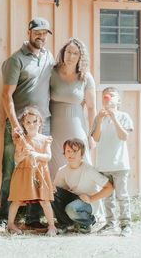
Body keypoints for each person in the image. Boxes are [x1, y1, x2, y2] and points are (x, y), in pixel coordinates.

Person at [0, 17, 54, 230]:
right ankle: (3, 219)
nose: (41, 36)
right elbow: (5, 96)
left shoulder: (48, 57)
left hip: (41, 124)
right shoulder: (16, 60)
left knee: (38, 169)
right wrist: (15, 125)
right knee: (12, 169)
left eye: (45, 33)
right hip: (19, 124)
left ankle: (33, 219)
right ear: (29, 32)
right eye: (38, 32)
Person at [49, 38, 96, 177]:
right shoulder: (52, 73)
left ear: (80, 57)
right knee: (55, 164)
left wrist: (92, 136)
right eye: (68, 52)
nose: (71, 56)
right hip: (54, 127)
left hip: (77, 125)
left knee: (81, 160)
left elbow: (92, 107)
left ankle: (86, 197)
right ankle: (58, 197)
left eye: (75, 53)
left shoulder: (86, 77)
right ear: (63, 52)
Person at [91, 87, 134, 237]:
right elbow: (95, 139)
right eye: (104, 96)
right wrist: (101, 119)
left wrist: (114, 117)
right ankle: (110, 224)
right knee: (107, 198)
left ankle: (126, 225)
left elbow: (124, 137)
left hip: (120, 165)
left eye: (111, 95)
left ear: (118, 100)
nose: (107, 98)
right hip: (103, 164)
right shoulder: (98, 118)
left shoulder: (124, 116)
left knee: (122, 196)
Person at [7, 107, 56, 236]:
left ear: (40, 122)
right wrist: (24, 153)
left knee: (44, 200)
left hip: (40, 173)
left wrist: (36, 154)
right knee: (17, 200)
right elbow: (16, 159)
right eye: (28, 122)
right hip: (24, 173)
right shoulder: (20, 140)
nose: (31, 125)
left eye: (34, 121)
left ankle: (52, 226)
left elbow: (48, 157)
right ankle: (10, 224)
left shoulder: (45, 139)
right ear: (23, 124)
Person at [52, 138, 113, 233]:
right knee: (53, 192)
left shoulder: (89, 170)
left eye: (75, 151)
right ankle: (66, 224)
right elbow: (56, 192)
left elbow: (109, 187)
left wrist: (91, 198)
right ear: (64, 153)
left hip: (88, 202)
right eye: (68, 151)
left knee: (71, 208)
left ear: (82, 154)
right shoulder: (62, 170)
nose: (71, 154)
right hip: (74, 199)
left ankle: (89, 221)